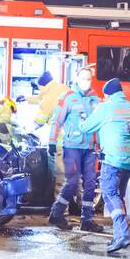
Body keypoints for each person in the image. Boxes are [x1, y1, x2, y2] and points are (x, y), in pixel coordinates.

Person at [80, 78, 130, 253]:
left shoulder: (106, 107)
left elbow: (86, 127)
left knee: (109, 193)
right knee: (118, 196)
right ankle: (117, 236)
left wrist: (85, 117)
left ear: (107, 94)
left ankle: (123, 234)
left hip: (113, 158)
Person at [47, 67, 103, 233]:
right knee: (72, 182)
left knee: (91, 183)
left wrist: (100, 145)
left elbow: (99, 124)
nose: (86, 81)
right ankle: (56, 213)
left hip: (90, 148)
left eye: (89, 78)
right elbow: (57, 120)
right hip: (72, 146)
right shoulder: (68, 98)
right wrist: (51, 140)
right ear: (77, 79)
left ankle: (87, 219)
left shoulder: (95, 99)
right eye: (83, 78)